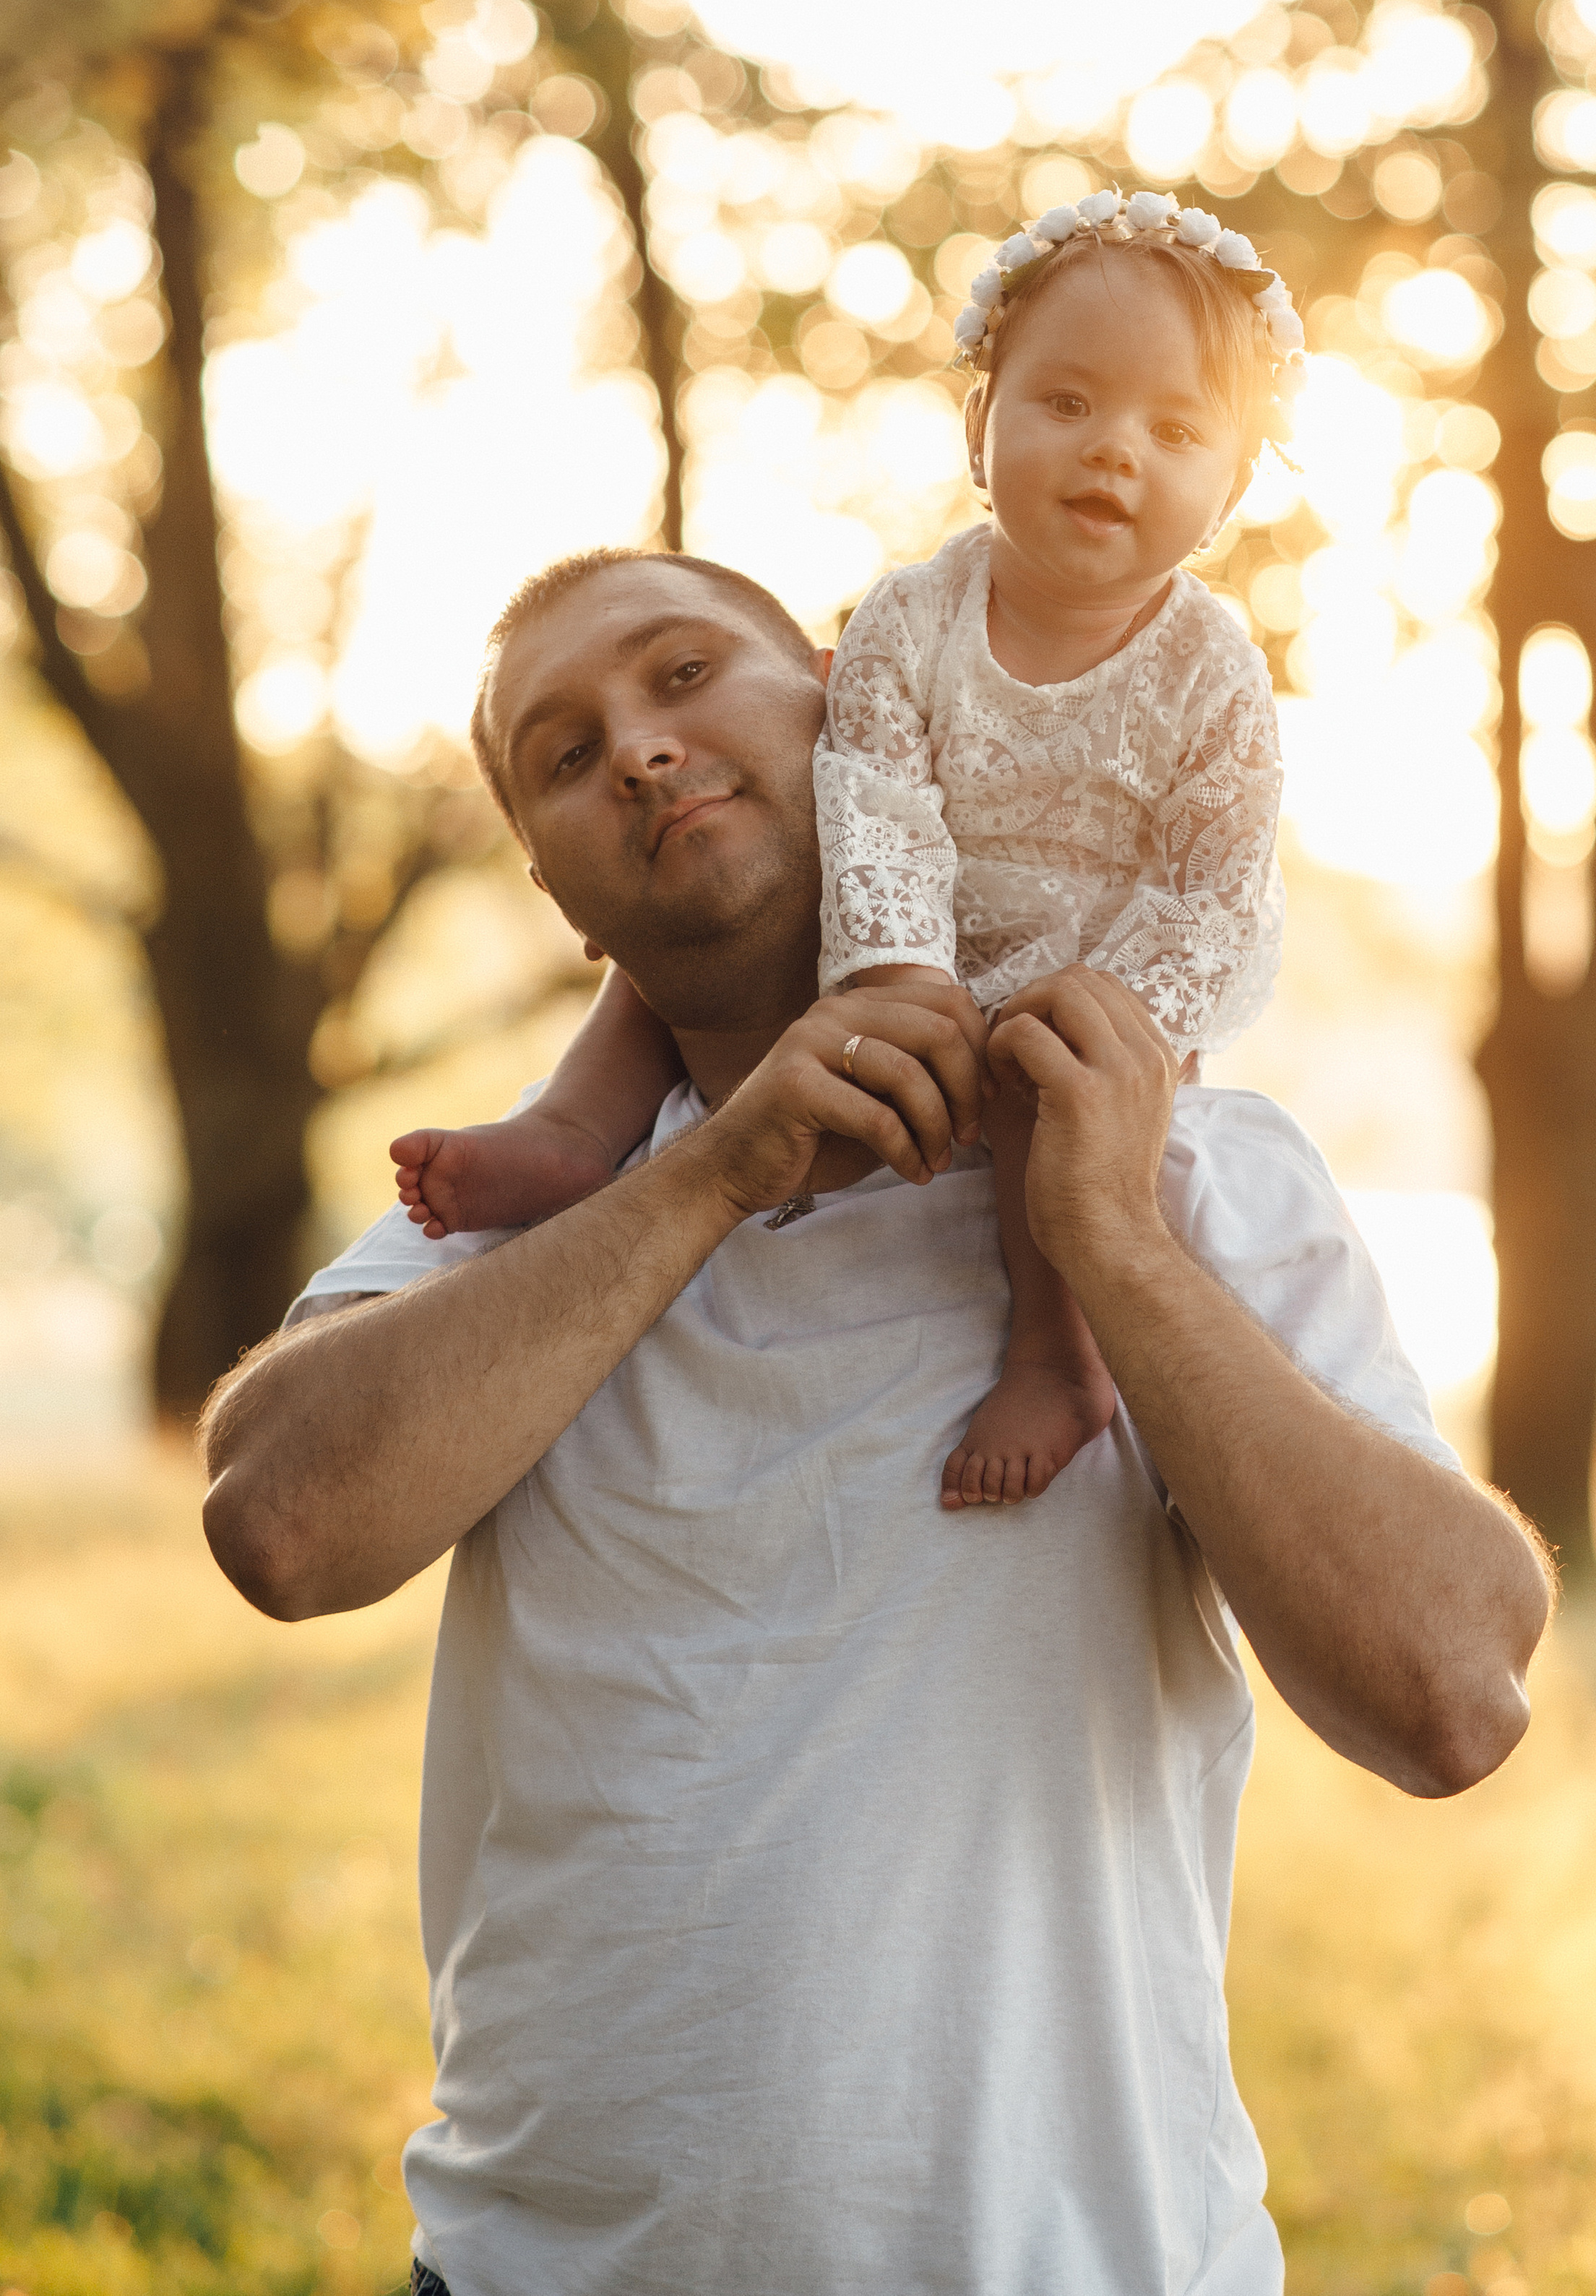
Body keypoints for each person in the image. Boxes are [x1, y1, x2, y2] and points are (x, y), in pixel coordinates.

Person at [202, 543, 1552, 2296]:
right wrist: (719, 1168)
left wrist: (1110, 1249)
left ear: (854, 699)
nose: (636, 747)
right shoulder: (526, 1222)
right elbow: (282, 1524)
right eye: (565, 750)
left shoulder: (1189, 1172)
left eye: (684, 675)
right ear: (561, 897)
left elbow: (1451, 1694)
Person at [389, 191, 1305, 1511]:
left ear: (1232, 484)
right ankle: (576, 1135)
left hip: (1107, 975)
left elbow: (1214, 880)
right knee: (714, 946)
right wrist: (891, 966)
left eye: (1174, 429)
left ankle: (1058, 1355)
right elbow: (873, 799)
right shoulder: (909, 618)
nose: (1115, 451)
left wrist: (1128, 1014)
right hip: (916, 938)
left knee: (1046, 1098)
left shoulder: (1213, 670)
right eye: (1067, 405)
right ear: (980, 427)